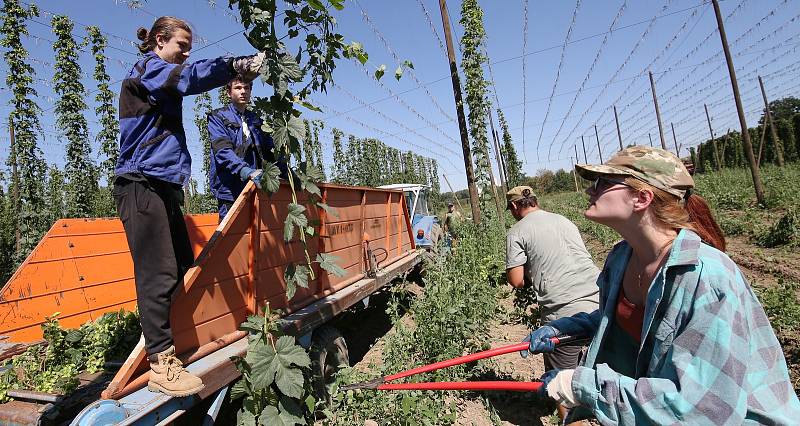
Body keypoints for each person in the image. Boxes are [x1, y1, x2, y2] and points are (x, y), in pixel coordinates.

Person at [524, 146, 800, 424]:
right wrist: (566, 330)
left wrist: (584, 385)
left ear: (641, 198)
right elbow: (626, 322)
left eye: (604, 183)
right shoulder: (622, 257)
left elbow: (702, 408)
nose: (590, 190)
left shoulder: (705, 276)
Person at [113, 16, 264, 397]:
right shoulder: (148, 69)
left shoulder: (162, 74)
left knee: (182, 264)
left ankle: (174, 341)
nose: (185, 53)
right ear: (160, 40)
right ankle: (161, 362)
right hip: (139, 184)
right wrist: (232, 65)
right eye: (182, 45)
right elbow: (190, 77)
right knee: (158, 272)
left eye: (188, 48)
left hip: (162, 186)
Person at [505, 185, 600, 422]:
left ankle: (572, 417)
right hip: (602, 303)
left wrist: (530, 273)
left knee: (561, 383)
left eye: (511, 209)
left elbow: (516, 281)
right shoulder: (563, 220)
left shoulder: (517, 231)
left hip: (564, 313)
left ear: (515, 206)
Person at [208, 76, 287, 222]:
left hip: (253, 186)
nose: (243, 91)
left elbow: (270, 149)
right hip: (229, 188)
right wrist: (244, 170)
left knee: (253, 231)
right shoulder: (217, 117)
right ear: (228, 92)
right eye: (238, 88)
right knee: (231, 232)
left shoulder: (256, 120)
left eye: (247, 88)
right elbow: (222, 151)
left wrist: (286, 171)